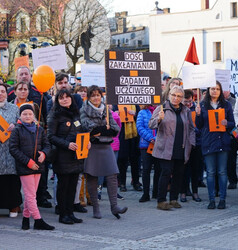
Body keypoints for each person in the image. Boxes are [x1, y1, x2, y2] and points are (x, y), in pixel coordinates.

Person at [80, 85, 128, 219]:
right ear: (89, 97)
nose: (96, 98)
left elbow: (115, 129)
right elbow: (88, 127)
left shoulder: (106, 109)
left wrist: (102, 130)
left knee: (112, 175)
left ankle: (114, 206)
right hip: (92, 148)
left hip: (106, 147)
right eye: (93, 95)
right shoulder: (84, 109)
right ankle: (95, 207)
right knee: (92, 176)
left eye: (98, 95)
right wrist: (103, 130)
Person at [149, 86, 195, 210]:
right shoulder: (161, 108)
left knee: (179, 174)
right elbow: (151, 124)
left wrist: (191, 142)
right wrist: (159, 119)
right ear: (169, 95)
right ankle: (161, 200)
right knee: (166, 172)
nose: (176, 98)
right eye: (174, 95)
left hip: (181, 147)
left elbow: (191, 128)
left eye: (179, 96)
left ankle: (174, 199)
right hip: (165, 147)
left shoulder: (186, 111)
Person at [9, 104, 54, 230]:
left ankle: (25, 219)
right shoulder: (17, 130)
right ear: (20, 116)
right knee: (30, 195)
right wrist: (28, 162)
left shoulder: (39, 129)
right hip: (25, 167)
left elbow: (47, 145)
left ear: (33, 115)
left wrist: (44, 154)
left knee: (32, 194)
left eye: (30, 114)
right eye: (25, 114)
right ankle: (38, 220)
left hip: (38, 166)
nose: (28, 116)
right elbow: (13, 149)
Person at [47, 89, 87, 224]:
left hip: (77, 156)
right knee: (63, 186)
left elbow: (81, 132)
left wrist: (87, 143)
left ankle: (70, 212)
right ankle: (63, 214)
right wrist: (67, 144)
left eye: (67, 97)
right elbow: (51, 136)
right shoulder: (54, 115)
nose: (65, 100)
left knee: (73, 186)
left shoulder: (76, 114)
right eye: (61, 98)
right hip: (62, 156)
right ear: (57, 100)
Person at [195, 81, 235, 209]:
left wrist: (226, 123)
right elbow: (199, 125)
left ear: (220, 91)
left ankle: (222, 199)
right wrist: (198, 115)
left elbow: (232, 123)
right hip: (208, 142)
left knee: (222, 172)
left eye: (217, 89)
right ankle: (211, 199)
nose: (215, 91)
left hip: (223, 142)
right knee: (211, 172)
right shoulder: (202, 105)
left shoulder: (227, 105)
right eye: (212, 88)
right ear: (209, 90)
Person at [0, 83, 22, 217]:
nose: (0, 94)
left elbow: (22, 123)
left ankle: (14, 206)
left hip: (11, 150)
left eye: (2, 91)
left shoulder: (14, 109)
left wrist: (16, 126)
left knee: (12, 180)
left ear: (6, 93)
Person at [180, 90, 202, 202]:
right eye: (185, 101)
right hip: (183, 143)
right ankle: (183, 192)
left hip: (196, 143)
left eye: (190, 101)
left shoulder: (197, 108)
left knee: (195, 169)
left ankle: (195, 192)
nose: (188, 104)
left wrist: (198, 115)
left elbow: (201, 126)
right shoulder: (180, 109)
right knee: (184, 169)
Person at [136, 105, 160, 202]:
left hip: (159, 145)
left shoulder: (161, 110)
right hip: (146, 145)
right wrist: (150, 138)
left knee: (158, 169)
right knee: (146, 169)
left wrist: (157, 138)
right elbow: (139, 127)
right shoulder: (142, 112)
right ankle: (146, 194)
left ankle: (156, 192)